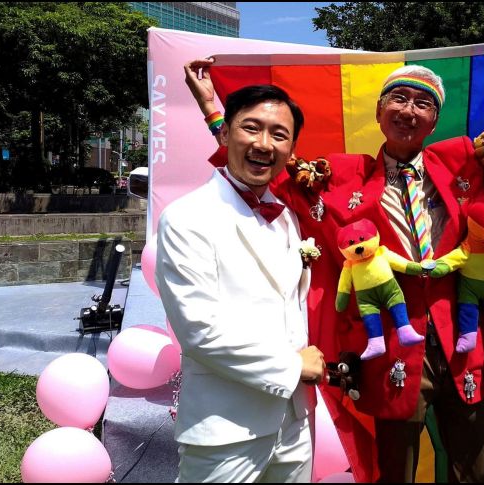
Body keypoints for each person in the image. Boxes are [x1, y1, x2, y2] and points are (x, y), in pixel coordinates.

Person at [184, 33, 484, 483]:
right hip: (391, 347)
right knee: (394, 471)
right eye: (399, 98)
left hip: (463, 339)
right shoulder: (342, 175)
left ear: (434, 121)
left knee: (473, 469)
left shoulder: (463, 160)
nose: (409, 110)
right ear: (379, 112)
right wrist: (212, 108)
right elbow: (268, 164)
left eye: (423, 103)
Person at [154, 84, 326, 483]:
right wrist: (292, 366)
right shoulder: (187, 217)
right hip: (225, 426)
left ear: (291, 148)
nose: (264, 144)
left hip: (295, 422)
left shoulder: (287, 216)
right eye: (251, 128)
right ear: (225, 133)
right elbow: (199, 330)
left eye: (279, 134)